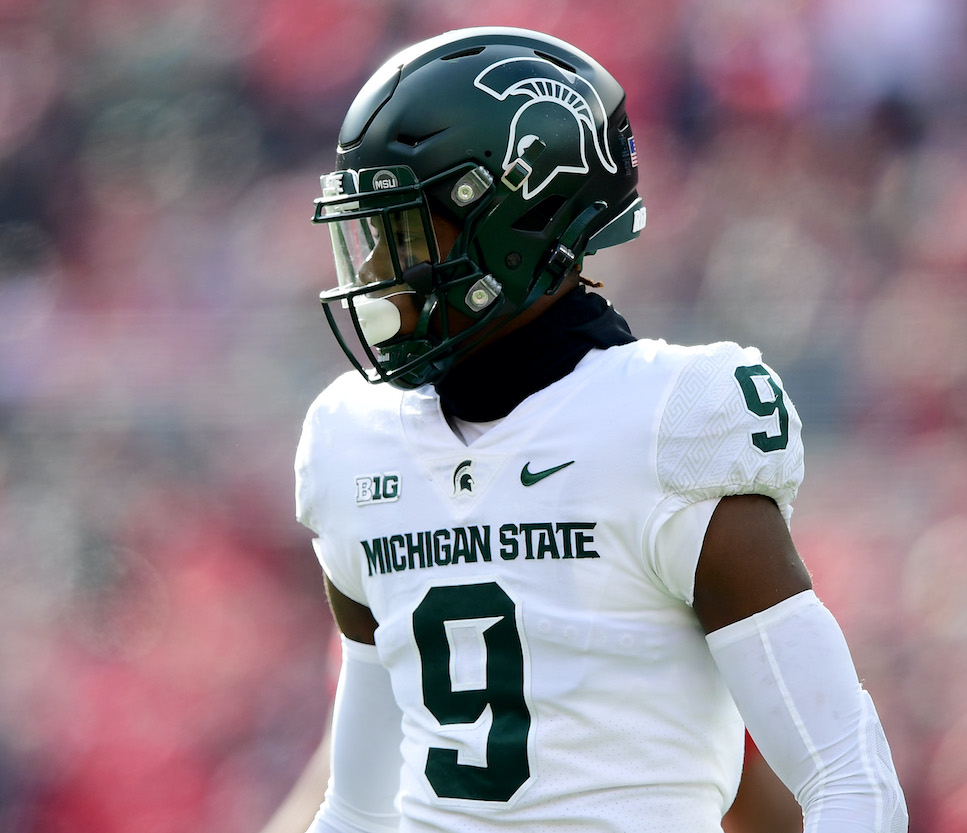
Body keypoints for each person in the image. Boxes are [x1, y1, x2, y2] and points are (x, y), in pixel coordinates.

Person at [291, 26, 907, 833]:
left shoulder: (667, 421)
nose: (373, 272)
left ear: (510, 222)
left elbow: (851, 781)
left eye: (401, 234)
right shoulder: (353, 440)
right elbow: (359, 808)